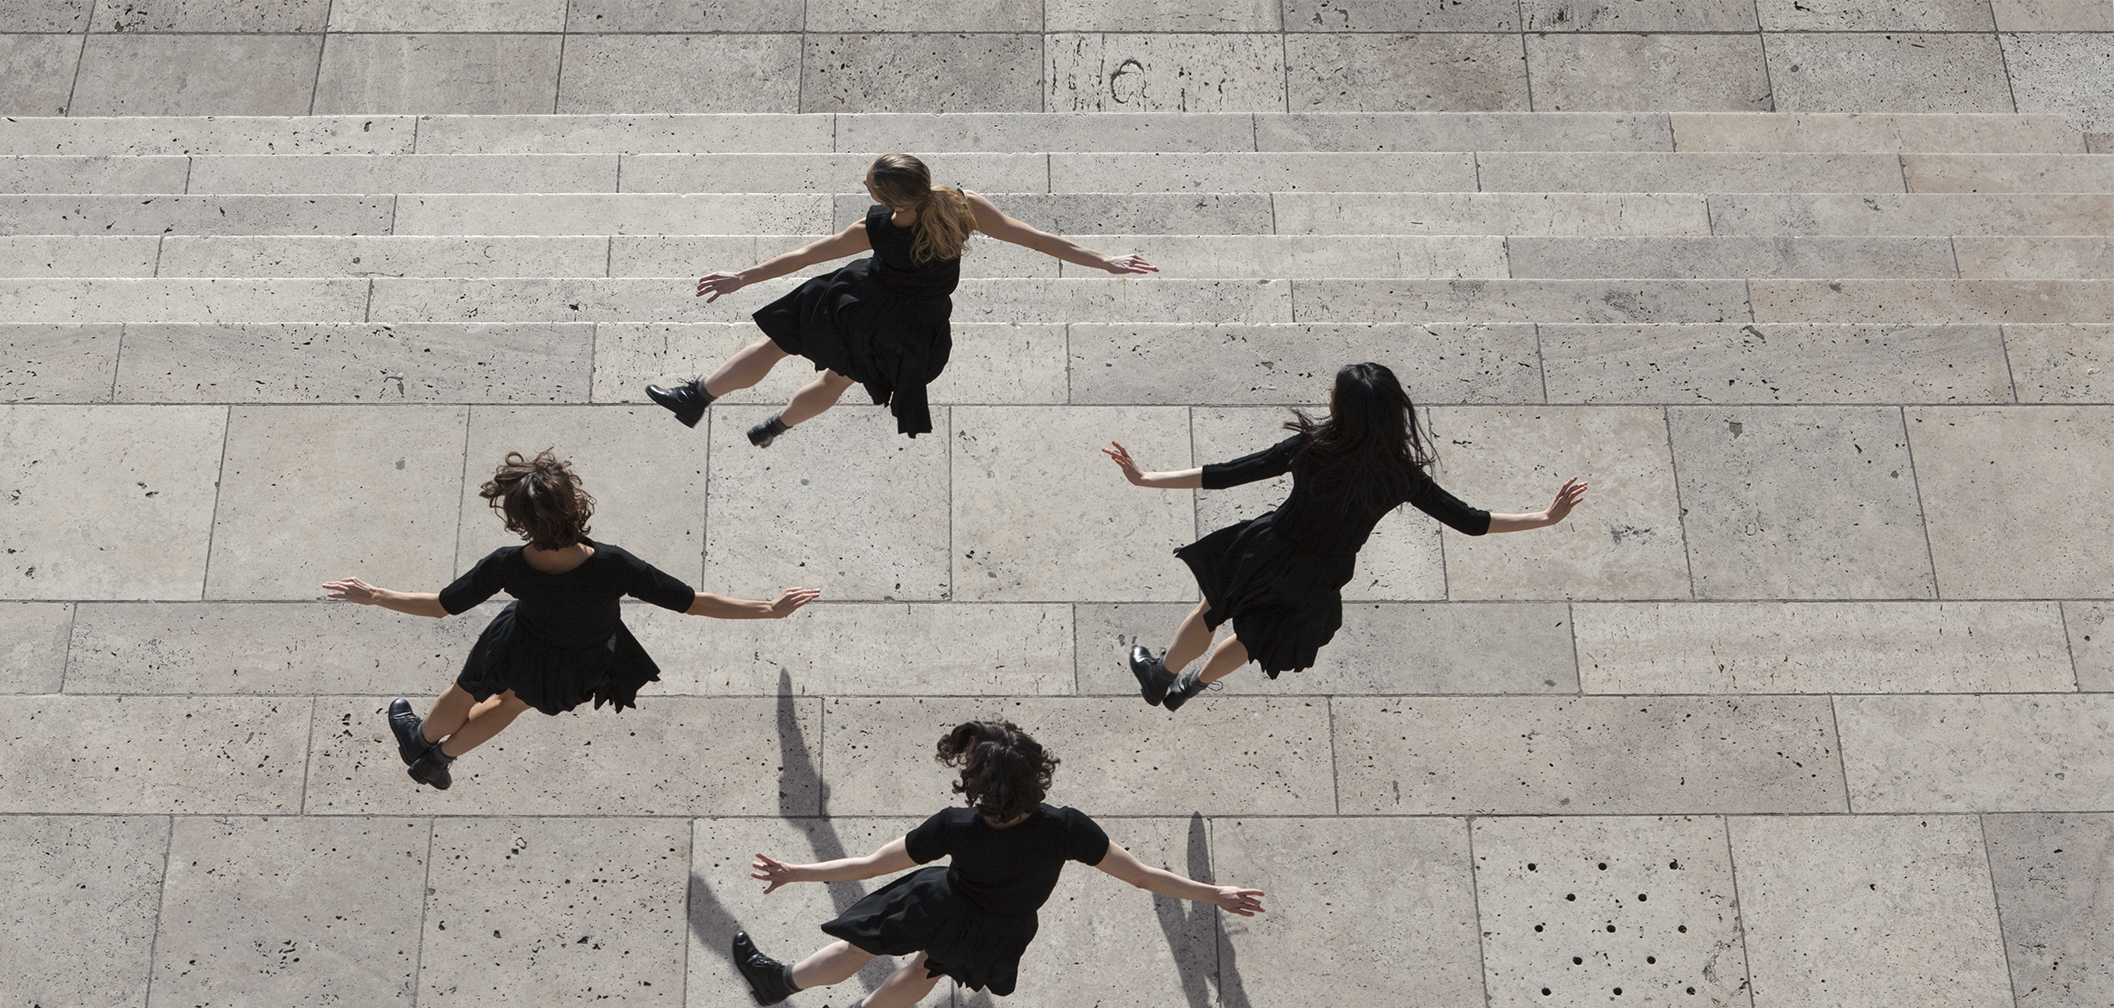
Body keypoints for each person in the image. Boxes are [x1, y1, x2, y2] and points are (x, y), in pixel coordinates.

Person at [729, 720, 1265, 1008]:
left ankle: (782, 982)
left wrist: (798, 871)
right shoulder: (1065, 828)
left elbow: (871, 864)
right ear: (1037, 778)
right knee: (929, 970)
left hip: (938, 902)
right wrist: (1214, 894)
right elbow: (1145, 878)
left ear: (978, 787)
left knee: (859, 947)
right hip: (997, 931)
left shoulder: (955, 826)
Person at [1105, 362, 1588, 710]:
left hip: (1271, 549)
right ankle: (1190, 688)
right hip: (1321, 576)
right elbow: (1472, 521)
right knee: (1257, 637)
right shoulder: (1400, 475)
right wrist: (1543, 517)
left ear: (1346, 410)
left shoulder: (1311, 448)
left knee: (1212, 609)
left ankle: (1159, 675)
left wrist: (1146, 478)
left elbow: (1229, 473)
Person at [322, 449, 816, 790]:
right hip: (577, 662)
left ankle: (420, 740)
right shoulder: (613, 563)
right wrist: (768, 609)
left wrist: (376, 595)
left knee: (471, 686)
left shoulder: (507, 564)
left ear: (518, 520)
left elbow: (441, 605)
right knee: (513, 704)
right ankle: (438, 761)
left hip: (518, 644)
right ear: (573, 507)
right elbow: (691, 601)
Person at [646, 152, 1159, 445]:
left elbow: (806, 255)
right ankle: (776, 426)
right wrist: (1104, 260)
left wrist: (743, 276)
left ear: (885, 199)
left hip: (857, 301)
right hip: (907, 329)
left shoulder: (875, 228)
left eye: (868, 181)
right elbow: (1039, 239)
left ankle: (699, 396)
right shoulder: (963, 207)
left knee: (777, 342)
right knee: (836, 379)